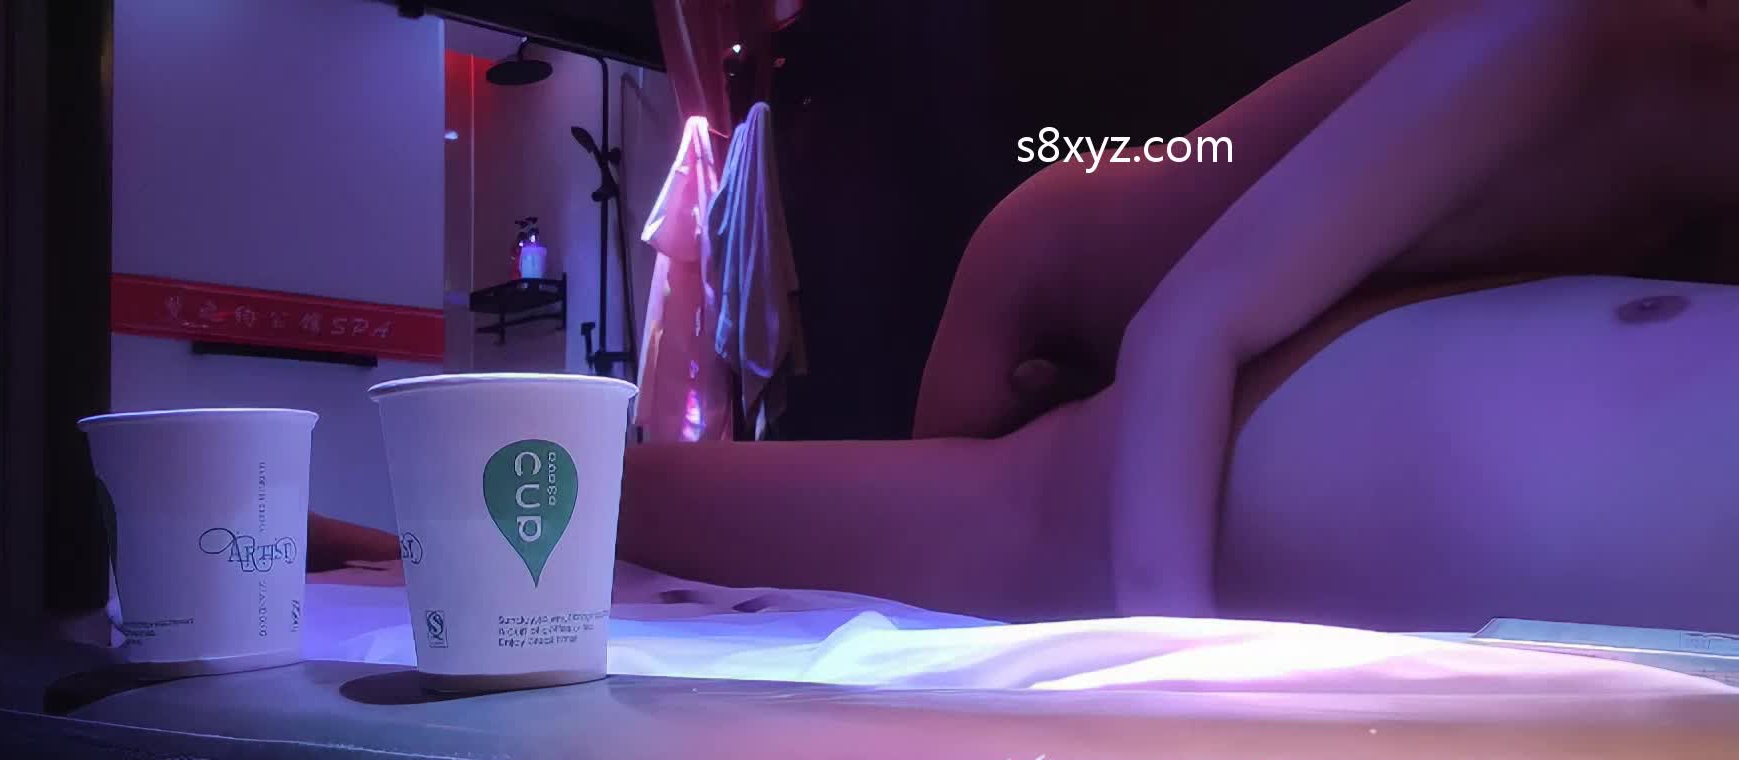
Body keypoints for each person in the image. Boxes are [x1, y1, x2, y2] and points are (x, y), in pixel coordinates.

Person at [614, 0, 1739, 632]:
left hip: (1223, 290)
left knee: (950, 542)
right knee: (919, 574)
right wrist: (1171, 674)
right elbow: (1188, 321)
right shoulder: (1569, 46)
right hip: (1044, 275)